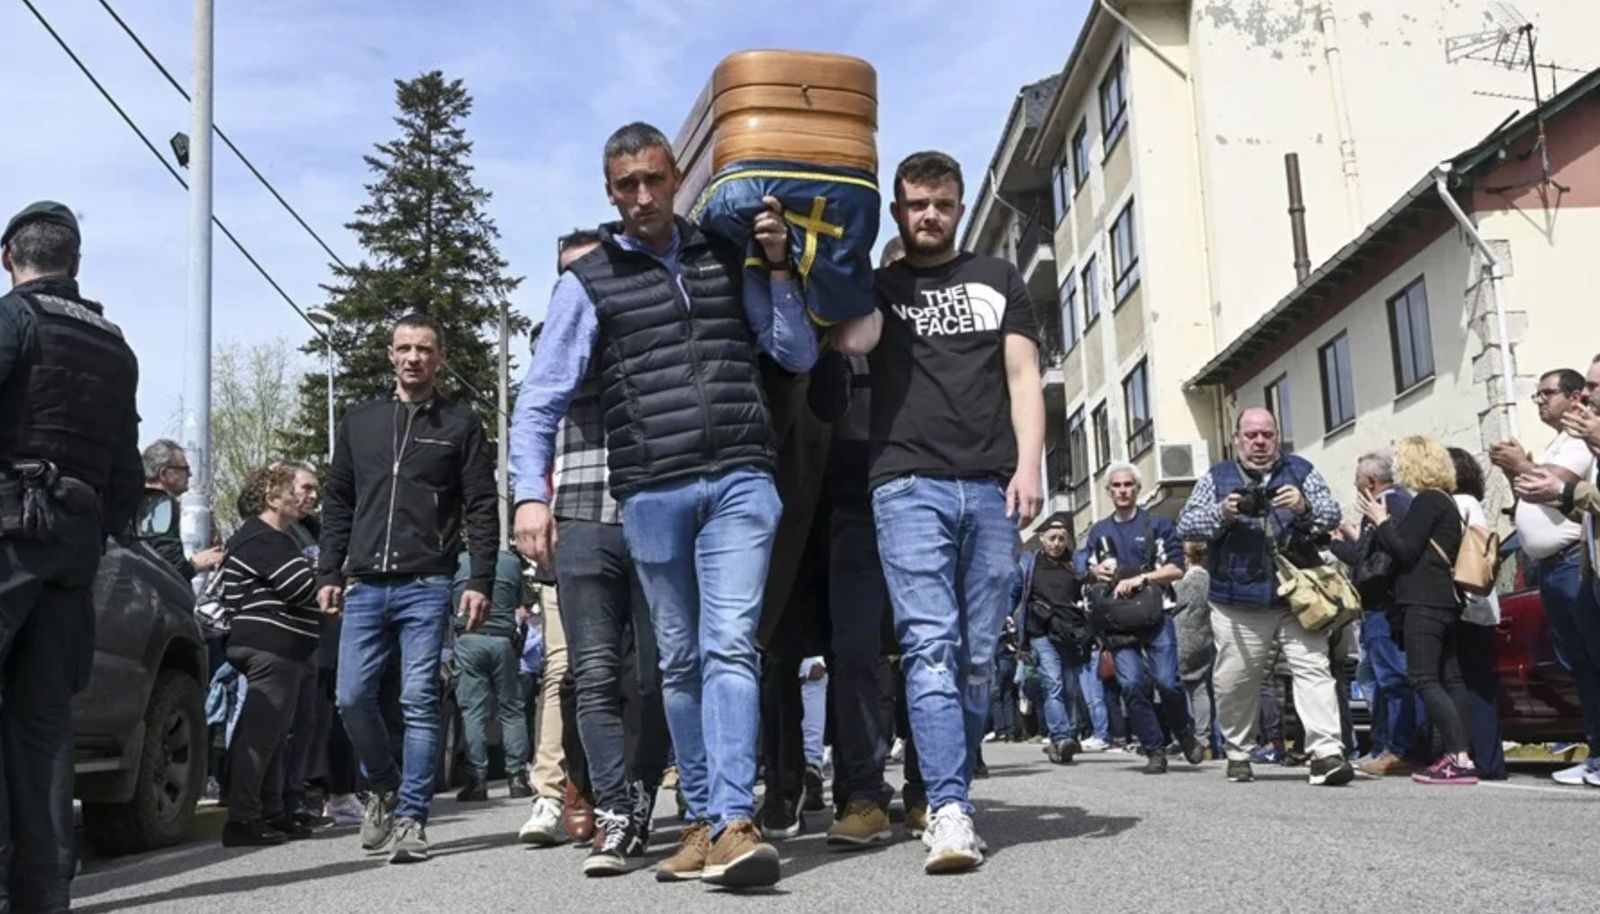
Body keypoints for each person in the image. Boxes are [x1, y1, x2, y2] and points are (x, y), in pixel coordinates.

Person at [510, 122, 816, 888]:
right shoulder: (588, 283)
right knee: (675, 660)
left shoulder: (725, 250)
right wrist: (527, 495)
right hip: (650, 490)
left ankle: (731, 820)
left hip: (742, 476)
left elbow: (793, 351)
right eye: (626, 186)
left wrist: (779, 268)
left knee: (729, 642)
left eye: (654, 179)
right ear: (609, 193)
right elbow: (541, 396)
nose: (643, 196)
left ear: (677, 176)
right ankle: (707, 820)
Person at [833, 150, 1045, 874]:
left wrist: (1029, 466)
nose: (930, 215)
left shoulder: (999, 278)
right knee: (930, 644)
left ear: (958, 208)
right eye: (917, 204)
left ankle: (948, 781)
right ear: (898, 211)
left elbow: (1023, 377)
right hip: (906, 484)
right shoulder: (881, 287)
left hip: (988, 485)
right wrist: (847, 261)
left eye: (943, 204)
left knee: (978, 656)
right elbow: (853, 340)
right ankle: (949, 808)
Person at [510, 231, 671, 876]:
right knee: (589, 674)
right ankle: (612, 810)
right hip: (580, 515)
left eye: (593, 271)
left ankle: (639, 795)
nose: (584, 286)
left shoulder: (645, 326)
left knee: (657, 674)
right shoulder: (555, 339)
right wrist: (529, 500)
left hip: (653, 512)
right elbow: (535, 413)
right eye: (569, 276)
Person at [0, 200, 142, 911]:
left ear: (9, 259)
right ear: (75, 266)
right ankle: (45, 892)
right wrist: (89, 529)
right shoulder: (115, 344)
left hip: (8, 537)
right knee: (44, 720)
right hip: (74, 547)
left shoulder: (11, 319)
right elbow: (129, 476)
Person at [317, 312, 499, 864]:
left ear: (441, 358)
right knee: (351, 698)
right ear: (390, 354)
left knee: (419, 700)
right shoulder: (360, 422)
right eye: (404, 348)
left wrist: (480, 578)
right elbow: (339, 503)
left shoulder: (461, 425)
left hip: (428, 580)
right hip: (366, 582)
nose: (414, 357)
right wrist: (329, 571)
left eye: (425, 349)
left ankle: (414, 817)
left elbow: (483, 507)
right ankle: (384, 785)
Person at [1175, 407, 1352, 786]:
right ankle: (1239, 752)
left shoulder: (1301, 471)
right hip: (1238, 600)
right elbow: (1187, 524)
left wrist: (1303, 507)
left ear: (1277, 437)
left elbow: (1331, 516)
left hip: (1298, 597)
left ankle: (1327, 753)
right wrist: (1223, 512)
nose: (1259, 442)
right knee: (1236, 681)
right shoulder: (1217, 478)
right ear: (1237, 438)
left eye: (1267, 435)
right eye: (1251, 435)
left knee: (1314, 670)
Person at [1490, 366, 1600, 786]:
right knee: (1580, 664)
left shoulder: (1578, 442)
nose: (1539, 401)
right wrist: (1515, 469)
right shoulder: (1558, 442)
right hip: (1553, 567)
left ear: (1573, 398)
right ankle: (1595, 751)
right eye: (1536, 395)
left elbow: (1558, 488)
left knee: (1592, 659)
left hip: (1573, 561)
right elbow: (1532, 492)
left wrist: (1522, 465)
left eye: (1546, 393)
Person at [217, 465, 333, 845]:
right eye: (294, 491)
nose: (305, 498)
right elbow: (301, 588)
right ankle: (243, 818)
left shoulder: (269, 538)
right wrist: (331, 581)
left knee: (275, 734)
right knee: (262, 734)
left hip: (280, 648)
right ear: (271, 498)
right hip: (270, 647)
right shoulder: (263, 539)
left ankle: (271, 810)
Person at [1357, 437, 1474, 785]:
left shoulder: (1426, 501)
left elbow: (1404, 551)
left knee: (1424, 678)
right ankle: (1463, 753)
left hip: (1423, 601)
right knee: (1451, 679)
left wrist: (1380, 521)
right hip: (1445, 599)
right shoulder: (1445, 502)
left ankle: (1457, 757)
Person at [1080, 463, 1197, 773]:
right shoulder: (1099, 531)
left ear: (1137, 488)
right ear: (1108, 491)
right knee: (1131, 685)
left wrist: (1143, 579)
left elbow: (1177, 568)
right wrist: (1094, 572)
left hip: (1157, 614)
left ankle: (1184, 733)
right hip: (1118, 621)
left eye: (1128, 485)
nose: (1122, 491)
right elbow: (1088, 572)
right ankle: (1154, 749)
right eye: (1116, 486)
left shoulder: (1156, 525)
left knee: (1167, 682)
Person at [1329, 449, 1419, 775]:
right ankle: (1386, 746)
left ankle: (1401, 750)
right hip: (1379, 608)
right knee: (1381, 681)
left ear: (1370, 481)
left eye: (1356, 480)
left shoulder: (1390, 506)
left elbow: (1380, 560)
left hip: (1385, 605)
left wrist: (1358, 540)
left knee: (1394, 679)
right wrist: (1339, 543)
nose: (1355, 486)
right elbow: (1364, 555)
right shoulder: (1391, 505)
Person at [452, 549, 533, 802]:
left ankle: (477, 780)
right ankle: (517, 778)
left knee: (473, 712)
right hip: (502, 641)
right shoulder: (510, 562)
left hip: (469, 640)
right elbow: (521, 605)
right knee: (512, 709)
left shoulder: (457, 561)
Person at [1011, 514, 1088, 765]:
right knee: (1053, 683)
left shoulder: (1076, 563)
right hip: (1040, 632)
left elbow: (1087, 591)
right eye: (1051, 538)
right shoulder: (1028, 563)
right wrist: (1006, 620)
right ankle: (1062, 736)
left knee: (1070, 688)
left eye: (1061, 539)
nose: (1056, 543)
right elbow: (1014, 593)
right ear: (1041, 538)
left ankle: (1067, 737)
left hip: (1069, 631)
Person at [1448, 447, 1506, 780]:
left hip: (1465, 603)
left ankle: (1478, 758)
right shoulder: (1475, 504)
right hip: (1481, 604)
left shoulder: (1459, 505)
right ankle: (1490, 759)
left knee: (1469, 684)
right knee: (1479, 684)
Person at [137, 439, 223, 578]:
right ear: (164, 473)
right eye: (184, 469)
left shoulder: (134, 502)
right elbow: (171, 568)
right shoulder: (161, 506)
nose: (190, 475)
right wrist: (197, 563)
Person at [1172, 542, 1217, 758]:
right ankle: (1204, 738)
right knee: (1199, 688)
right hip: (1204, 636)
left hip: (1183, 637)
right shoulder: (1209, 578)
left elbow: (1172, 601)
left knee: (1179, 688)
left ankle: (1190, 739)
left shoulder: (1190, 580)